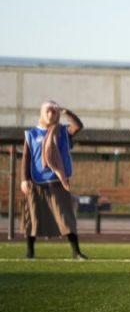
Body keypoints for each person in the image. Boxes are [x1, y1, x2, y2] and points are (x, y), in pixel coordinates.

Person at [20, 100, 87, 260]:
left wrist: (65, 111)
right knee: (33, 218)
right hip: (36, 182)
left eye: (53, 112)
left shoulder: (63, 131)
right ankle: (30, 252)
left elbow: (78, 126)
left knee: (66, 218)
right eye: (48, 112)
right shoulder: (31, 134)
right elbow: (26, 158)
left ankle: (76, 252)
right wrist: (24, 179)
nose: (50, 115)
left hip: (57, 182)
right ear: (42, 114)